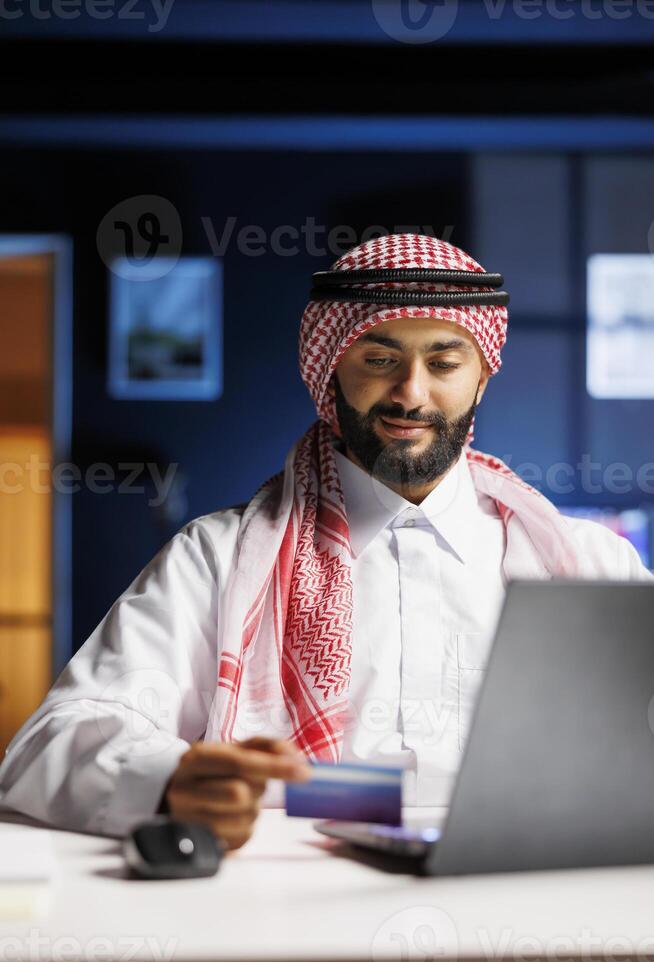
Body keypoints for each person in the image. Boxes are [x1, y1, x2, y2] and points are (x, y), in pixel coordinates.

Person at [0, 233, 650, 850]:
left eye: (444, 362)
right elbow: (46, 746)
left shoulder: (588, 564)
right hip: (280, 929)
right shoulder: (218, 560)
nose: (411, 393)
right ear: (329, 372)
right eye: (379, 358)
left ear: (481, 377)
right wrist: (171, 781)